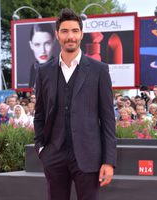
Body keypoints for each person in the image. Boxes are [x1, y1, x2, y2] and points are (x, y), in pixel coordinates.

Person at [34, 8, 116, 200]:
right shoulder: (44, 71)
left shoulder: (99, 70)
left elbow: (108, 119)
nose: (70, 36)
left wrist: (109, 161)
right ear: (57, 35)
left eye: (74, 31)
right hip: (54, 156)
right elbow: (40, 114)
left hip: (89, 156)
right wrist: (41, 148)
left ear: (81, 34)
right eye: (64, 31)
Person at [29, 23, 55, 89]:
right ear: (31, 45)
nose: (43, 50)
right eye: (37, 44)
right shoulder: (34, 68)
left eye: (47, 43)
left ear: (53, 42)